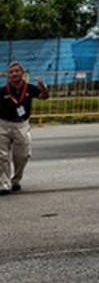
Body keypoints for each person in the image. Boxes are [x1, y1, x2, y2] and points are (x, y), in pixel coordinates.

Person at [0, 61, 50, 194]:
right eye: (11, 72)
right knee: (2, 156)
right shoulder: (3, 90)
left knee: (22, 156)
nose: (14, 74)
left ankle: (15, 180)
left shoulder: (30, 89)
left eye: (17, 71)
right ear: (8, 76)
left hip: (21, 125)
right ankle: (4, 184)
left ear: (22, 73)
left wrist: (43, 88)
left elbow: (44, 97)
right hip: (3, 125)